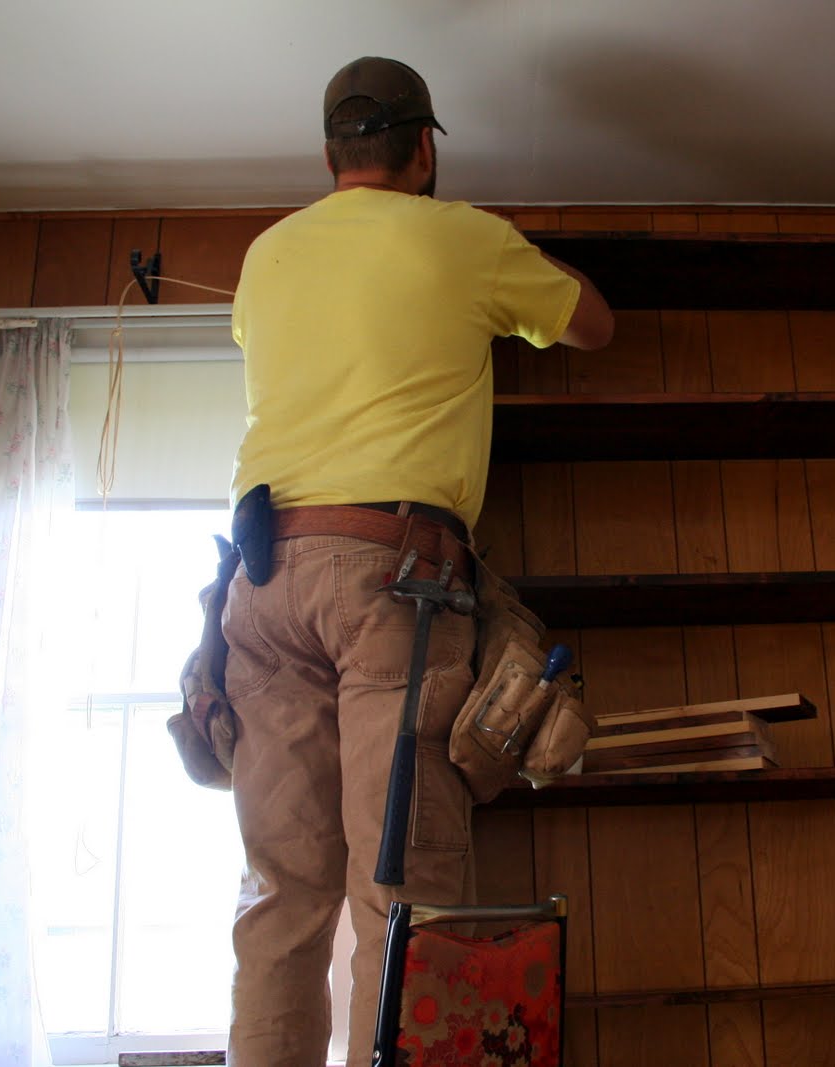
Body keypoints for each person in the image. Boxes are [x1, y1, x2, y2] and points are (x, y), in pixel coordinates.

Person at [219, 56, 613, 1066]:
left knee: (283, 894)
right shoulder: (462, 236)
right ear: (425, 148)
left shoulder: (266, 256)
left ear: (328, 155)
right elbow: (592, 325)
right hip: (387, 583)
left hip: (258, 585)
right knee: (403, 886)